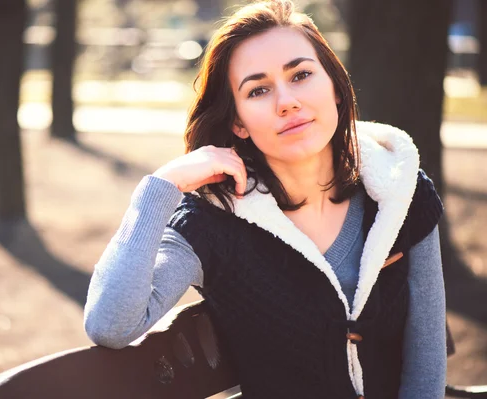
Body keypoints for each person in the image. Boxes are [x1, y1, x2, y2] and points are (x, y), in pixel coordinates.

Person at [83, 0, 447, 397]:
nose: (286, 101)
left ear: (335, 89)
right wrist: (162, 185)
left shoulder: (399, 190)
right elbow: (111, 324)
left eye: (302, 74)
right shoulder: (211, 224)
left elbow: (427, 356)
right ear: (238, 122)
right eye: (258, 90)